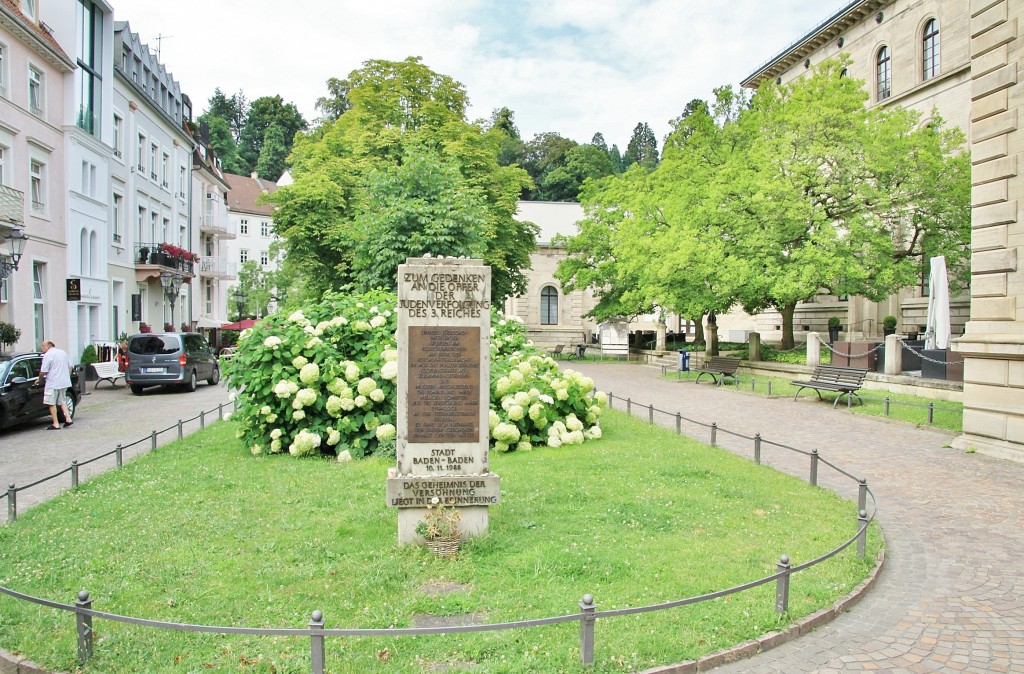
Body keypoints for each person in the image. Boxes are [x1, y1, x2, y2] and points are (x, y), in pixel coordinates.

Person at [39, 340, 73, 430]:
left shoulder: (48, 355)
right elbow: (70, 366)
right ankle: (68, 419)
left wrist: (39, 379)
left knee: (51, 403)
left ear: (48, 346)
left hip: (52, 382)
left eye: (43, 346)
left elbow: (43, 371)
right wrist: (67, 377)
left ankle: (55, 423)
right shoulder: (63, 352)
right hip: (64, 382)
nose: (42, 348)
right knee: (62, 401)